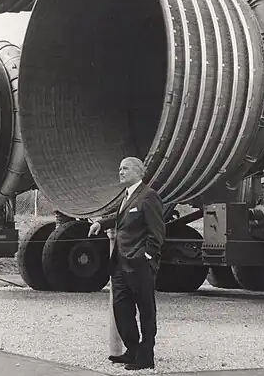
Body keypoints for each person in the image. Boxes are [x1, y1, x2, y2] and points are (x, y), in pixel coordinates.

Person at [88, 157, 165, 371]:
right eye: (120, 168)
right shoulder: (128, 196)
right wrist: (100, 223)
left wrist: (147, 257)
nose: (120, 172)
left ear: (139, 172)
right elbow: (121, 217)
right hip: (120, 264)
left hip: (139, 264)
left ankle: (146, 356)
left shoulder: (149, 196)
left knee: (146, 310)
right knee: (121, 308)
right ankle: (132, 350)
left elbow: (157, 233)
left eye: (126, 168)